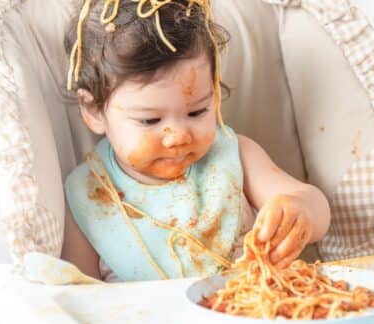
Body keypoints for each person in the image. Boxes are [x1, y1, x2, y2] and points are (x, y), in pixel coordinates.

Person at [61, 0, 330, 282]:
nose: (179, 136)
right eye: (150, 121)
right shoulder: (85, 197)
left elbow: (316, 207)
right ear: (93, 111)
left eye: (197, 111)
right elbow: (79, 295)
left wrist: (301, 212)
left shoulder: (236, 156)